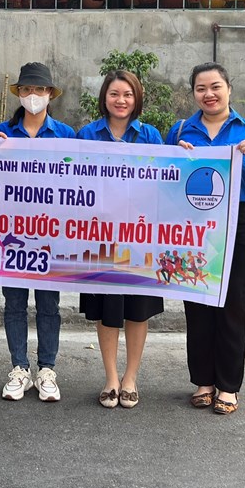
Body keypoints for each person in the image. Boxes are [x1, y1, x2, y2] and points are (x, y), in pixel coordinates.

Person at [166, 61, 245, 416]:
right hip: (191, 226)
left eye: (215, 87)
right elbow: (165, 183)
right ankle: (203, 382)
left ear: (229, 89)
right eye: (201, 88)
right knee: (197, 303)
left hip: (234, 223)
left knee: (232, 305)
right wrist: (175, 159)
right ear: (193, 93)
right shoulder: (180, 131)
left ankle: (228, 386)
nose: (209, 94)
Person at [76, 70, 165, 409]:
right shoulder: (88, 134)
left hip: (141, 237)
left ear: (136, 98)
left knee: (137, 310)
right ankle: (111, 378)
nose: (121, 100)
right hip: (100, 236)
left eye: (128, 94)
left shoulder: (151, 135)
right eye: (114, 94)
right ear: (104, 97)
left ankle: (131, 378)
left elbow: (166, 179)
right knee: (108, 308)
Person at [0, 62, 75, 403]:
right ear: (19, 94)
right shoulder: (3, 132)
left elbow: (79, 181)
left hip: (50, 234)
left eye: (39, 90)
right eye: (26, 89)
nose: (33, 95)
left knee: (48, 304)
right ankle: (19, 368)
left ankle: (47, 370)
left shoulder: (66, 135)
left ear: (50, 94)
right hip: (11, 232)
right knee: (14, 302)